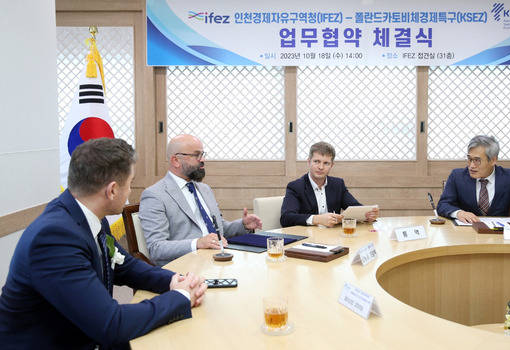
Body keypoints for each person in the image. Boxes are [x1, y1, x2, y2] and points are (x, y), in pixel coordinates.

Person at [0, 138, 207, 350]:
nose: (129, 193)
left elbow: (125, 266)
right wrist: (180, 297)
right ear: (113, 190)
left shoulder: (86, 214)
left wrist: (174, 280)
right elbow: (112, 324)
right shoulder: (54, 238)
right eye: (130, 183)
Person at [139, 134, 262, 266]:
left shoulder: (204, 189)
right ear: (175, 160)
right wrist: (197, 243)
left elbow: (219, 230)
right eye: (196, 155)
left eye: (202, 154)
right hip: (186, 267)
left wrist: (242, 225)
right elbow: (156, 248)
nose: (202, 159)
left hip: (218, 259)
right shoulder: (155, 195)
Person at [437, 135, 510, 223]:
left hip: (499, 235)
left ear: (493, 160)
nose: (471, 166)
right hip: (465, 233)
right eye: (469, 159)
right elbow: (443, 205)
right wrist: (459, 213)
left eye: (477, 160)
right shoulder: (457, 176)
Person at [280, 141, 379, 227]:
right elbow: (286, 218)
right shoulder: (296, 187)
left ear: (332, 165)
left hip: (334, 237)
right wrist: (316, 219)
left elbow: (355, 207)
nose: (321, 167)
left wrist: (367, 215)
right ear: (309, 162)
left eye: (326, 163)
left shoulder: (338, 184)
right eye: (317, 162)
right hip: (308, 240)